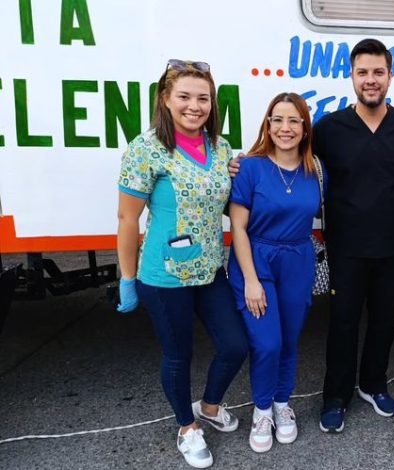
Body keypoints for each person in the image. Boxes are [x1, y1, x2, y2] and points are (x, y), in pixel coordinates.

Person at [116, 59, 248, 469]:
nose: (195, 106)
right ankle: (186, 428)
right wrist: (127, 278)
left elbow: (223, 204)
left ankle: (209, 407)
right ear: (165, 99)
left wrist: (240, 173)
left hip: (209, 269)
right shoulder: (145, 149)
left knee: (235, 345)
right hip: (164, 275)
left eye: (203, 98)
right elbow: (127, 219)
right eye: (185, 96)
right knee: (179, 355)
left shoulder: (221, 148)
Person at [311, 38, 394, 432]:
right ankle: (336, 396)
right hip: (345, 248)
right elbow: (289, 158)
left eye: (378, 72)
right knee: (342, 324)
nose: (371, 79)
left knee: (385, 322)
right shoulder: (328, 129)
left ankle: (373, 384)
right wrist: (245, 165)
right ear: (351, 75)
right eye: (362, 72)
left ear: (390, 76)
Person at [227, 92, 324, 453]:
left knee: (288, 338)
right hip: (256, 259)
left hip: (298, 260)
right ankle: (262, 409)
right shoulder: (249, 167)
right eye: (278, 120)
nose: (286, 128)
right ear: (268, 125)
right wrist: (251, 280)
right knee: (267, 342)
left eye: (293, 120)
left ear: (304, 128)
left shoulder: (316, 171)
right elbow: (238, 227)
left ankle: (282, 404)